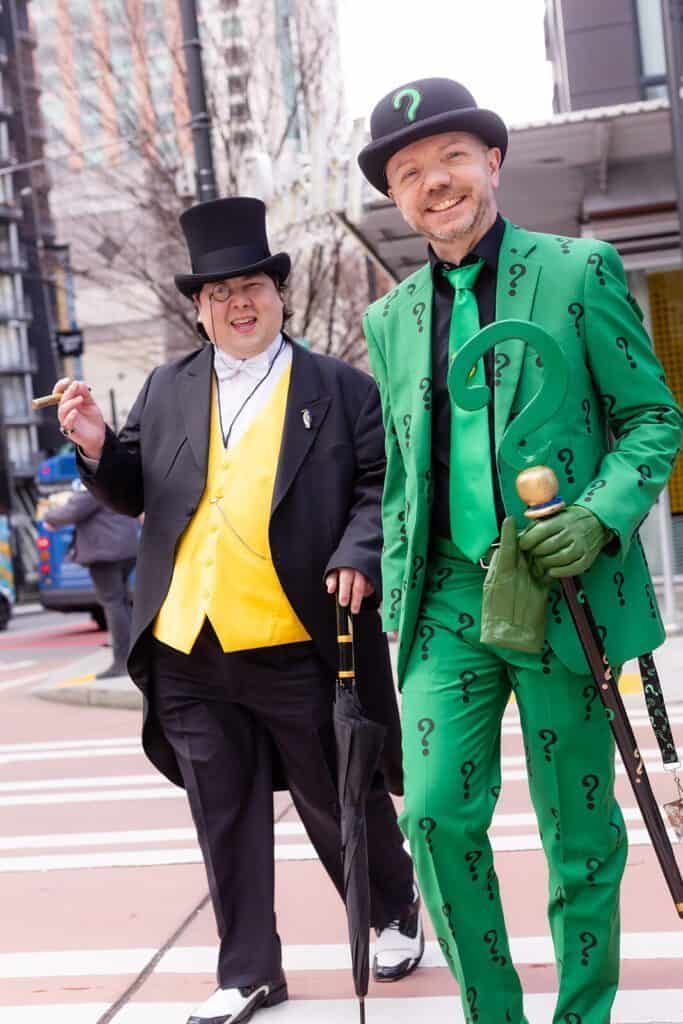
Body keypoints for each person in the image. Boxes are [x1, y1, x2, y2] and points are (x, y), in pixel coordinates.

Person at [357, 78, 682, 1024]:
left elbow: (651, 419)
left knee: (578, 828)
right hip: (448, 600)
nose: (435, 182)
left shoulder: (580, 271)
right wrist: (392, 598)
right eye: (409, 172)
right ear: (395, 197)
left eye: (451, 157)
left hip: (561, 586)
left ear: (492, 162)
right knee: (430, 816)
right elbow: (407, 473)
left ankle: (581, 1015)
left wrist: (600, 512)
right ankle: (490, 1015)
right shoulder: (389, 319)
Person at [53, 197, 423, 1024]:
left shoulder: (339, 388)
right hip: (188, 642)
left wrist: (357, 556)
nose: (237, 303)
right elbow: (135, 485)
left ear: (278, 292)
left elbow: (377, 490)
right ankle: (250, 968)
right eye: (218, 294)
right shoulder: (168, 385)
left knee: (338, 798)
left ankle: (390, 909)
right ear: (198, 307)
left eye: (250, 285)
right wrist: (93, 443)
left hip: (296, 633)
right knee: (221, 814)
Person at [42, 481, 137, 677]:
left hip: (105, 553)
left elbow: (73, 510)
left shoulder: (96, 483)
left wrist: (48, 517)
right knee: (122, 603)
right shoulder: (118, 480)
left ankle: (121, 662)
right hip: (125, 549)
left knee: (113, 604)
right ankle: (132, 657)